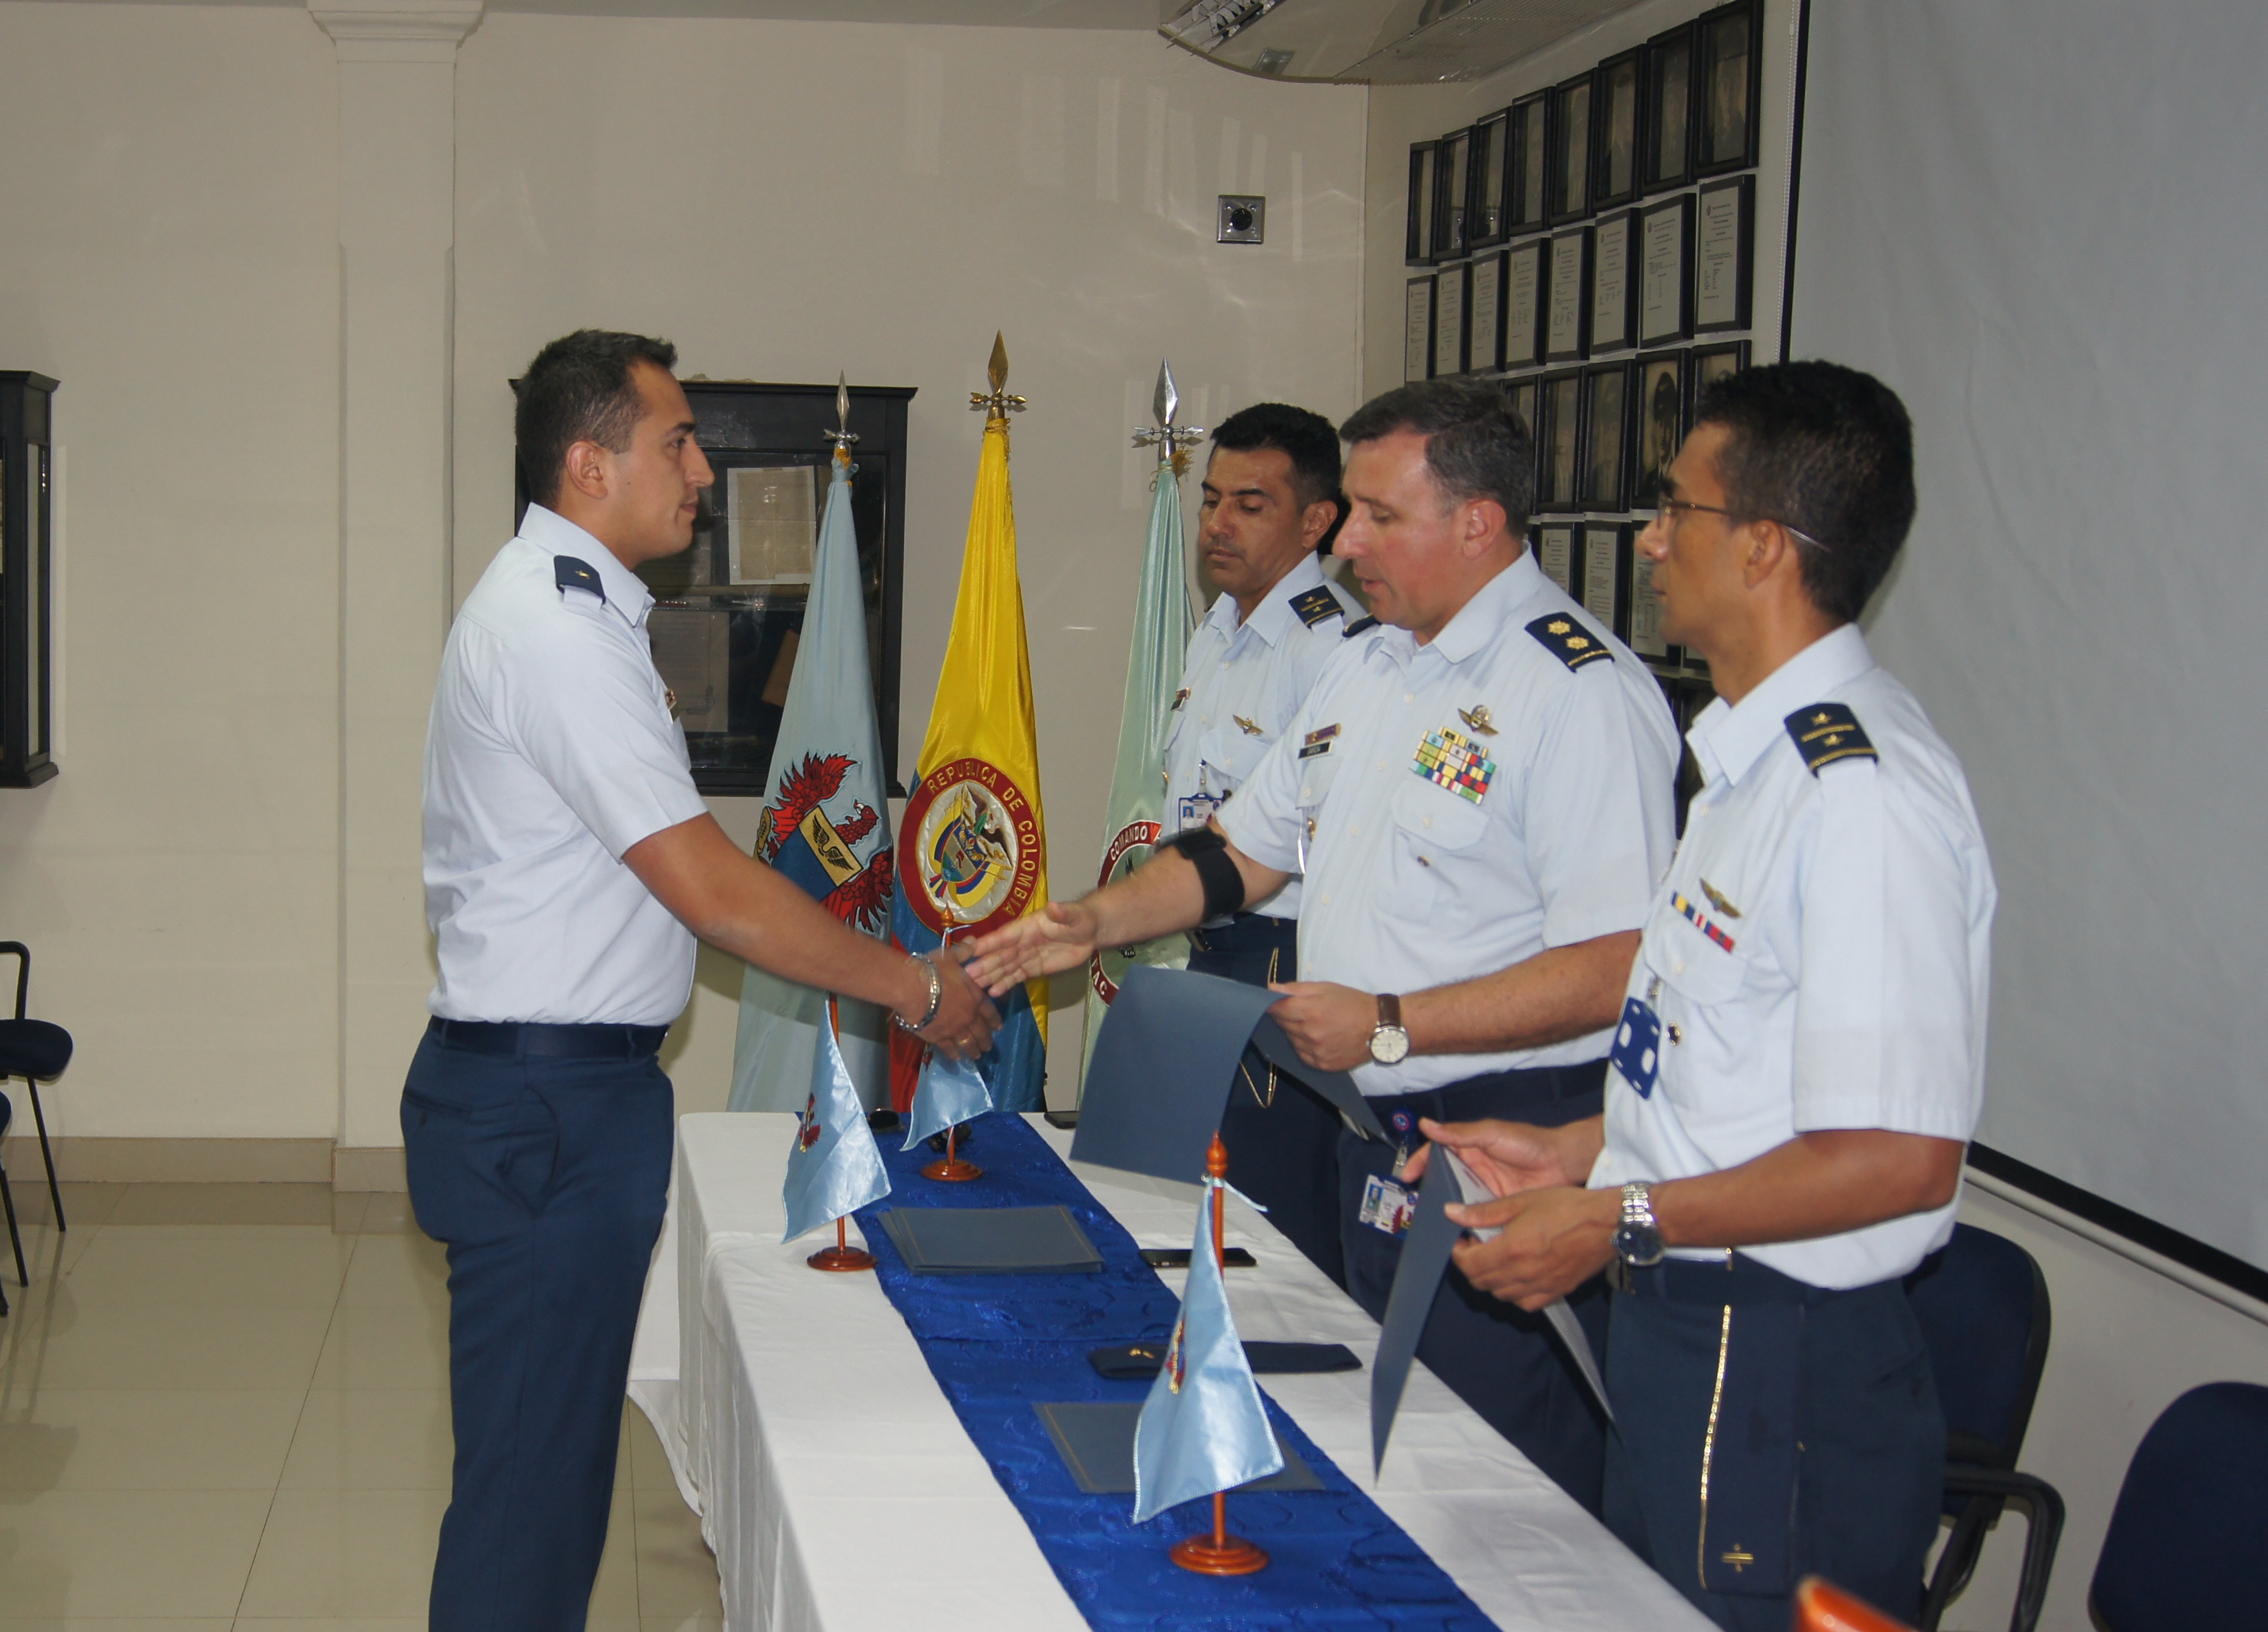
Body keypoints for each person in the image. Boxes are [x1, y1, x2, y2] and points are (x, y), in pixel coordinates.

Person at [971, 378, 1677, 1512]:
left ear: (1477, 522)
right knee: (1380, 1471)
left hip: (1508, 1157)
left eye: (1376, 517)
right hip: (1370, 1142)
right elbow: (1241, 853)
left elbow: (1622, 965)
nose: (1345, 545)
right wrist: (1091, 919)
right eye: (1346, 512)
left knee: (1496, 1493)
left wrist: (1396, 1022)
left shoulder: (1574, 694)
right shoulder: (1370, 663)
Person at [408, 329, 997, 1632]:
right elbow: (714, 890)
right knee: (524, 1492)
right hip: (543, 1104)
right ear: (585, 461)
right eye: (675, 441)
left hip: (559, 1090)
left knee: (548, 1481)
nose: (705, 471)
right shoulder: (554, 629)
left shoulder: (578, 610)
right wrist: (912, 986)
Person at [1410, 361, 1992, 1628]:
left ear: (1766, 548)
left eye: (1678, 507)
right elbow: (1725, 1074)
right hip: (1689, 1325)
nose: (1650, 536)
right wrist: (1578, 1149)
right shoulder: (1749, 766)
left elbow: (1894, 1159)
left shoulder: (1859, 796)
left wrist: (1613, 1214)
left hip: (1778, 1360)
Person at [1167, 402, 1358, 1287]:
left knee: (1279, 1227)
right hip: (1209, 947)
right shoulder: (1218, 629)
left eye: (1249, 503)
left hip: (1286, 960)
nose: (1217, 523)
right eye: (1210, 500)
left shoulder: (1330, 650)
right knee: (1209, 1198)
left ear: (1316, 520)